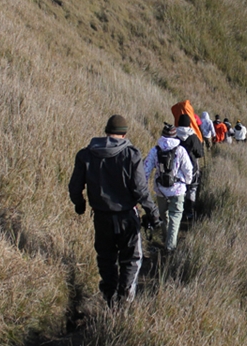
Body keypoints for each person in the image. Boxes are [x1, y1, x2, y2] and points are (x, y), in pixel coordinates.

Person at [69, 114, 160, 306]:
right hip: (127, 215)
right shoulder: (131, 154)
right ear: (124, 134)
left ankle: (109, 297)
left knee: (106, 258)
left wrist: (80, 204)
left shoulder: (86, 155)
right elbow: (140, 189)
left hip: (101, 217)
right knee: (131, 259)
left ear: (106, 131)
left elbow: (75, 186)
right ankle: (124, 301)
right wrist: (152, 212)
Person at [145, 123, 194, 256]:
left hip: (160, 190)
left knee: (164, 215)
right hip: (177, 189)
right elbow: (188, 169)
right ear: (175, 135)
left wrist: (144, 188)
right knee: (175, 216)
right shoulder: (180, 150)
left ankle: (167, 238)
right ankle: (170, 246)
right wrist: (188, 182)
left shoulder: (155, 150)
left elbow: (146, 169)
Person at [176, 114, 204, 220]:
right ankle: (189, 211)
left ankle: (178, 210)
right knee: (192, 188)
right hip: (192, 166)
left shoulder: (174, 135)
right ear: (189, 124)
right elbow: (200, 153)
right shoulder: (193, 136)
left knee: (179, 188)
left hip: (176, 167)